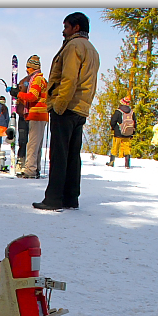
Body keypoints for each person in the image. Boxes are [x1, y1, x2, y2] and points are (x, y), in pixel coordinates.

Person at [33, 12, 99, 211]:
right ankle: (71, 197)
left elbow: (69, 78)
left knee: (59, 154)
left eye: (66, 26)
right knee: (72, 155)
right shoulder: (92, 49)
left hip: (67, 106)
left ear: (75, 28)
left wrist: (58, 105)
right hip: (81, 107)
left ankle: (53, 198)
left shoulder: (73, 47)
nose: (63, 31)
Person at [13, 55, 48, 178]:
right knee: (36, 143)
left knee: (32, 144)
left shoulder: (37, 79)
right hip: (40, 114)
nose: (26, 69)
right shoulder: (40, 79)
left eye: (27, 67)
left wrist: (19, 94)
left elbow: (33, 96)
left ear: (31, 67)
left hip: (37, 113)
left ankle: (30, 170)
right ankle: (35, 168)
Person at [106, 96, 134, 168]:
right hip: (127, 133)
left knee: (115, 147)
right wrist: (132, 133)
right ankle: (127, 164)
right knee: (127, 148)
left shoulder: (118, 111)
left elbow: (113, 122)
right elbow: (135, 123)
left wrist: (113, 128)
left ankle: (112, 162)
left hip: (118, 133)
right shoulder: (131, 112)